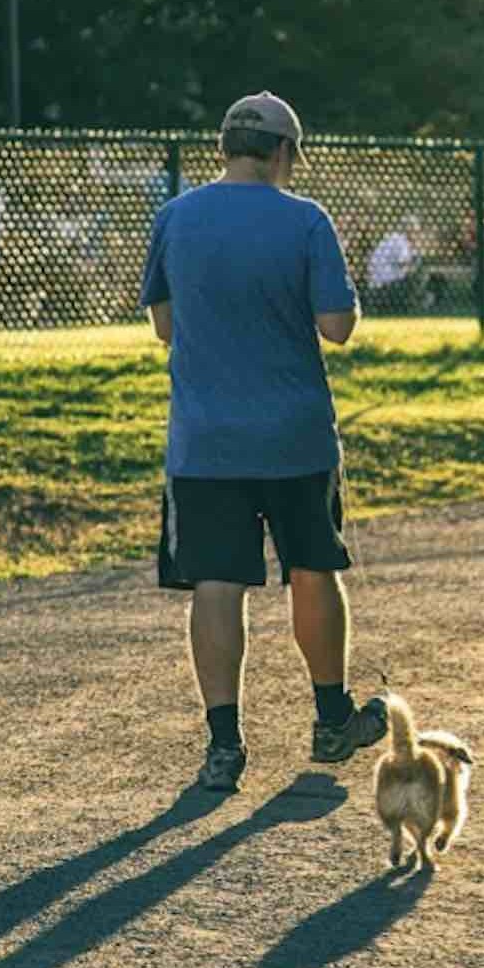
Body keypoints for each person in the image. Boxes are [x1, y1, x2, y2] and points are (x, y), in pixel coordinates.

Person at [139, 91, 389, 793]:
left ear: (225, 146)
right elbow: (336, 325)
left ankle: (224, 745)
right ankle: (332, 717)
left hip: (205, 439)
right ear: (282, 153)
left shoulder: (176, 217)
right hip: (296, 437)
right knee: (313, 566)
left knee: (217, 583)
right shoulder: (306, 219)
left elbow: (164, 325)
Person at [365, 213, 432, 311]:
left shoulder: (398, 239)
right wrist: (417, 256)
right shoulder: (399, 241)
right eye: (415, 230)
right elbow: (404, 264)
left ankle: (416, 301)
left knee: (420, 273)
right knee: (421, 274)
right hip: (384, 287)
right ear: (408, 229)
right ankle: (412, 303)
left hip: (379, 286)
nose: (417, 234)